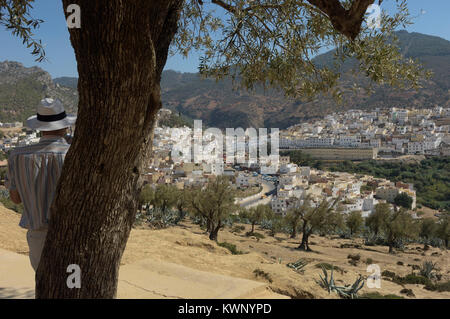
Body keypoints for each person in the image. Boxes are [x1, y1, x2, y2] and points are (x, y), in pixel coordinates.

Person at [6, 98, 76, 271]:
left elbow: (15, 199)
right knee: (73, 285)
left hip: (37, 236)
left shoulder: (17, 156)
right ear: (65, 126)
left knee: (45, 286)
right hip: (72, 233)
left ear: (39, 128)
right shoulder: (74, 154)